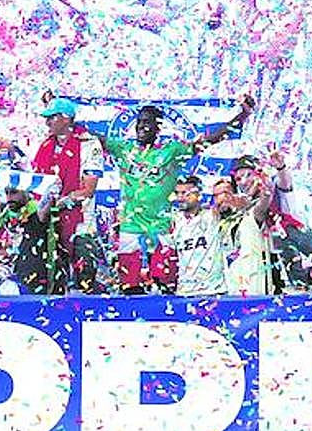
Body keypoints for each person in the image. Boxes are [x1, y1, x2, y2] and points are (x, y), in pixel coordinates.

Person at [0, 95, 103, 292]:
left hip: (78, 222)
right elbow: (6, 146)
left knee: (83, 273)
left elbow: (88, 190)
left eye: (51, 117)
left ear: (66, 118)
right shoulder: (46, 146)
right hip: (45, 223)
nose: (47, 122)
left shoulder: (88, 144)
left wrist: (56, 203)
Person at [104, 96, 254, 294]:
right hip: (131, 226)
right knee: (130, 288)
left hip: (163, 227)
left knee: (166, 285)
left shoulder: (172, 151)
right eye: (139, 122)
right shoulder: (123, 149)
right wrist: (66, 118)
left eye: (147, 122)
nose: (141, 127)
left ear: (158, 128)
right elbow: (92, 137)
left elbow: (209, 140)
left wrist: (242, 116)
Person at [169, 176, 226, 297]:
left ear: (198, 194)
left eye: (185, 193)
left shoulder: (212, 215)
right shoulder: (174, 220)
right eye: (177, 193)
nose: (180, 198)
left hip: (213, 290)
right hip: (184, 291)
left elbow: (224, 201)